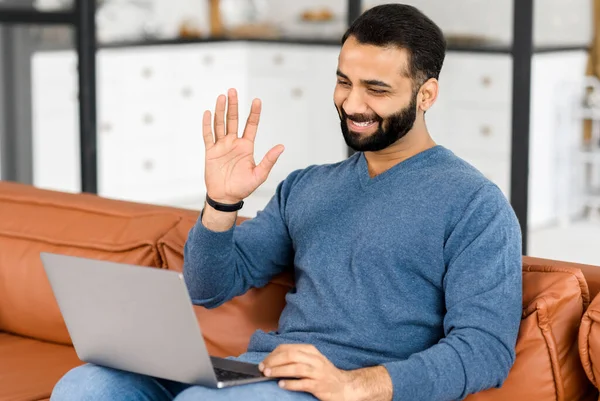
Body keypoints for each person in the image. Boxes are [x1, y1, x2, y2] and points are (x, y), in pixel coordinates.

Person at [51, 3, 522, 401]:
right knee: (87, 384)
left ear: (426, 95)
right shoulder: (307, 186)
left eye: (376, 89)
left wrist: (353, 384)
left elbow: (485, 349)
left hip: (338, 390)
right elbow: (208, 287)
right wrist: (220, 203)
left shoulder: (475, 204)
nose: (352, 104)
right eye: (344, 82)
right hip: (264, 372)